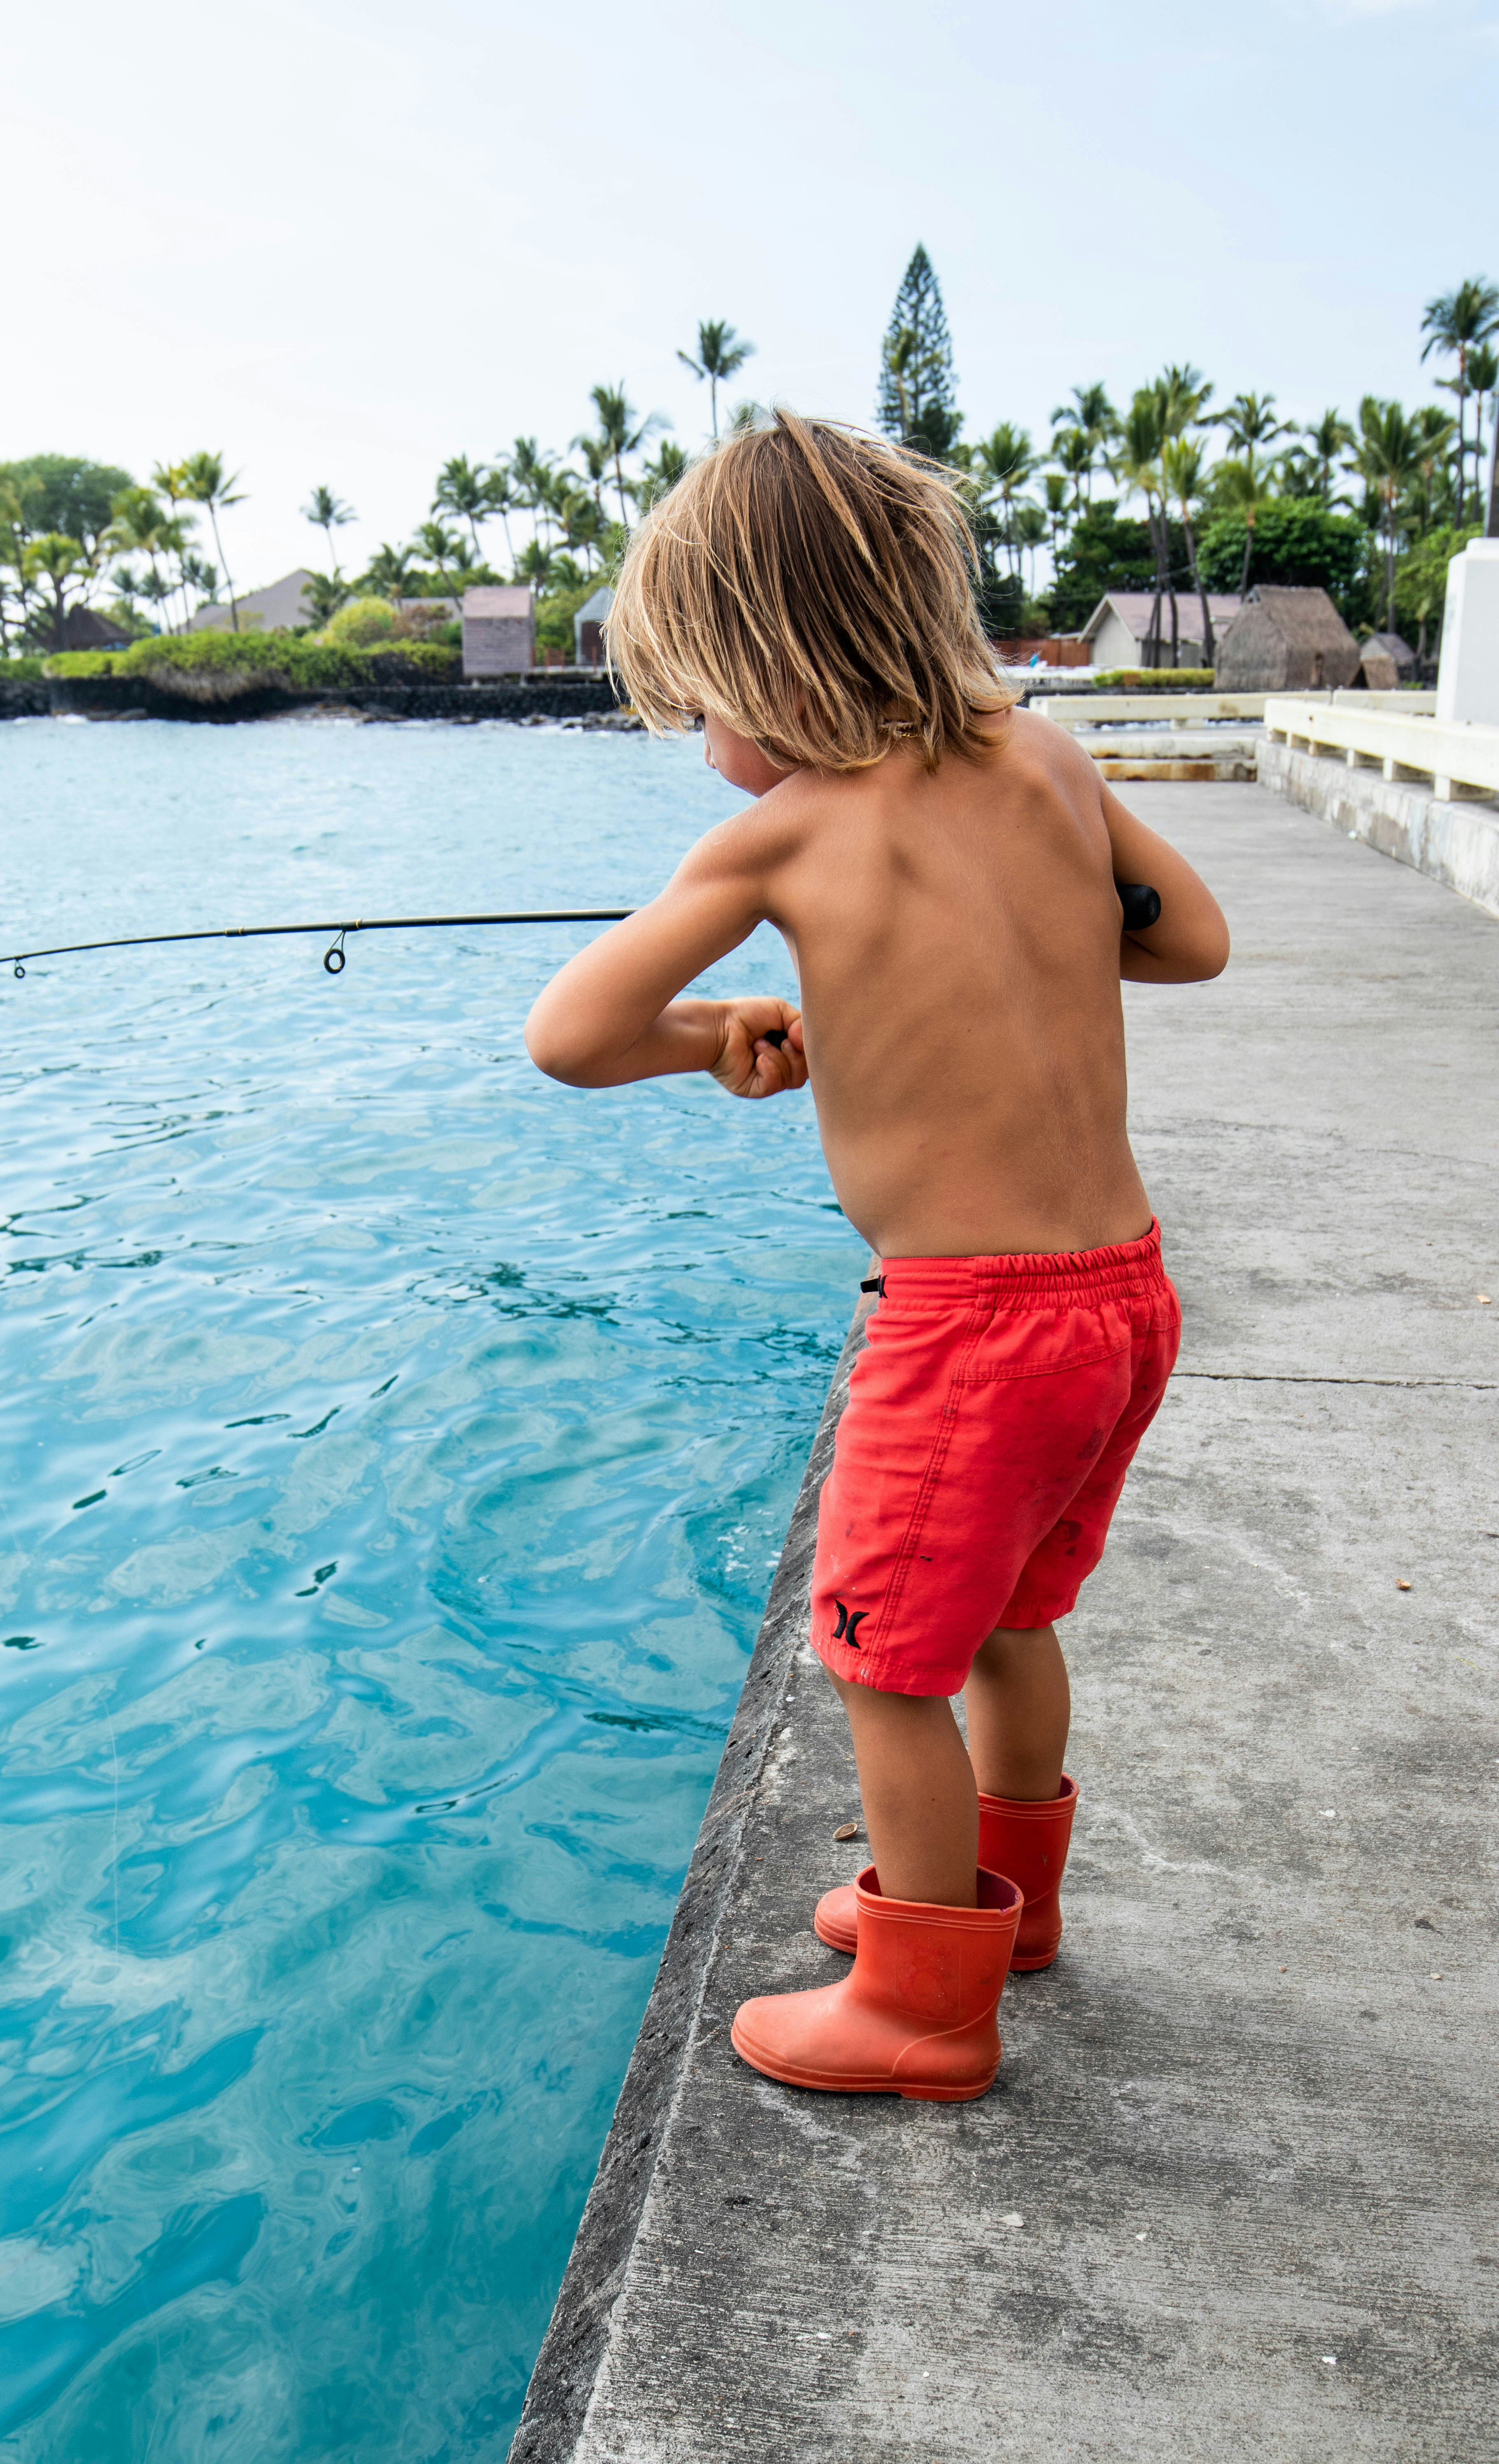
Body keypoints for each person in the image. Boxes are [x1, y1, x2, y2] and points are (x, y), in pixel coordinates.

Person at [524, 412, 1229, 2103]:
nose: (699, 739)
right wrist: (941, 993)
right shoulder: (1045, 764)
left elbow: (572, 1033)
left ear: (764, 662)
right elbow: (1189, 941)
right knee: (1007, 1620)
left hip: (971, 1330)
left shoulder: (783, 839)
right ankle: (1011, 1909)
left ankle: (924, 2002)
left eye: (699, 698)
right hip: (1121, 1300)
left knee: (883, 1658)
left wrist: (715, 1039)